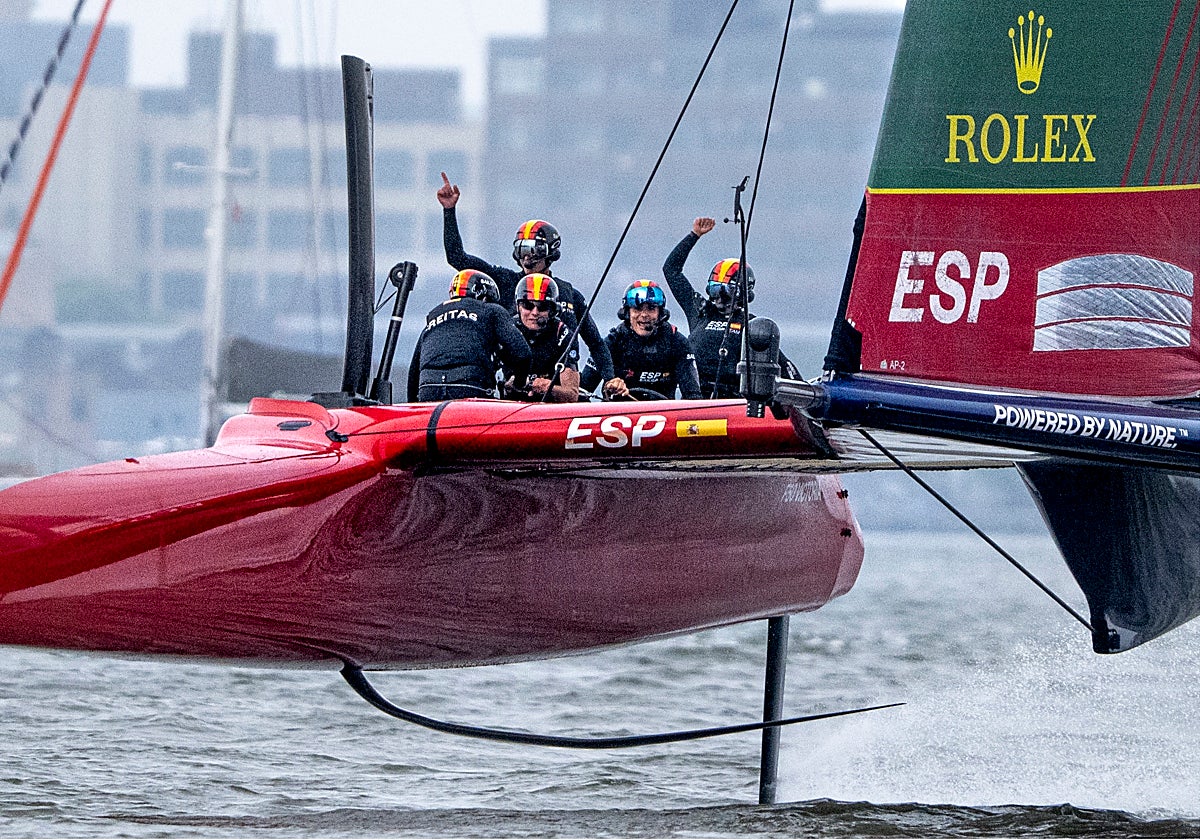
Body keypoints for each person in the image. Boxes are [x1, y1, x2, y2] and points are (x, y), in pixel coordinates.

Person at [436, 172, 615, 383]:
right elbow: (457, 258)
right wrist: (449, 210)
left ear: (550, 253)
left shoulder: (569, 293)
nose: (527, 256)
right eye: (522, 249)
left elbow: (596, 344)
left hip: (557, 389)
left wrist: (610, 380)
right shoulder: (504, 282)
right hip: (512, 386)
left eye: (534, 250)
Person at [662, 216, 800, 398]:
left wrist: (804, 394)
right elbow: (671, 270)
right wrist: (694, 235)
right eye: (714, 289)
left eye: (725, 291)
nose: (718, 297)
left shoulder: (754, 327)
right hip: (695, 399)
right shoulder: (700, 311)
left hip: (732, 403)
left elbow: (786, 369)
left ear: (743, 292)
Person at [407, 269, 532, 402]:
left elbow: (413, 372)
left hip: (428, 388)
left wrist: (413, 405)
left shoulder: (433, 316)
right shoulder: (491, 310)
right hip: (469, 385)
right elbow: (522, 354)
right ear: (485, 297)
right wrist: (518, 384)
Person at [581, 279, 702, 400]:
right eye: (637, 309)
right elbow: (582, 393)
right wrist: (611, 383)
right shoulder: (612, 343)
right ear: (627, 313)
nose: (644, 315)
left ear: (660, 313)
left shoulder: (677, 342)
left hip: (663, 410)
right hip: (621, 410)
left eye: (651, 308)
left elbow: (693, 396)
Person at [502, 274, 581, 403]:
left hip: (549, 406)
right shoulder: (507, 329)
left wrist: (544, 386)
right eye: (527, 305)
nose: (535, 312)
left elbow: (571, 395)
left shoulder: (562, 334)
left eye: (542, 306)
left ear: (552, 310)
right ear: (518, 307)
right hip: (508, 404)